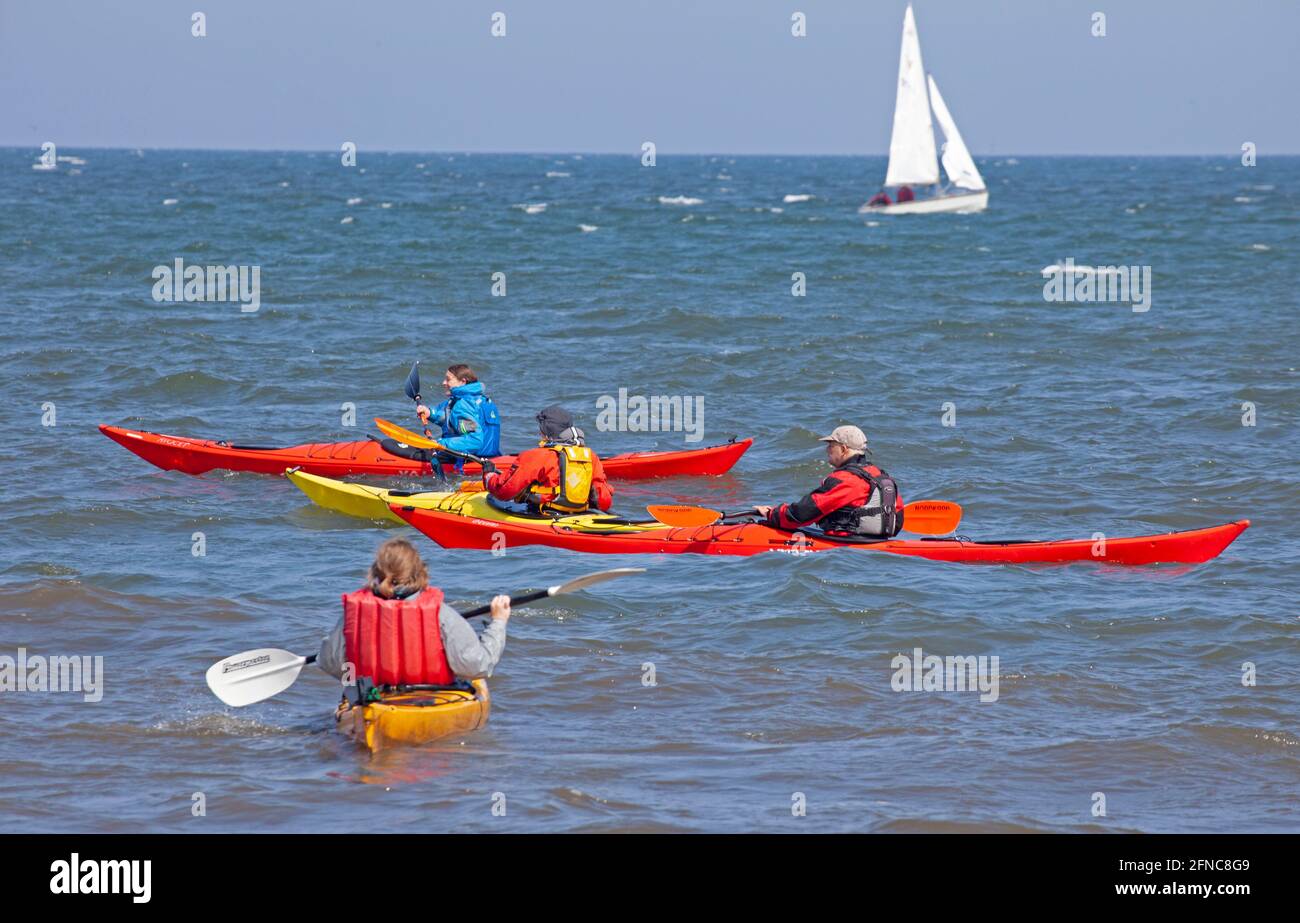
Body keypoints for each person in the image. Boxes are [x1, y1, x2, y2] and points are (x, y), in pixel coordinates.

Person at [317, 538, 510, 698]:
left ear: (375, 572)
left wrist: (359, 679)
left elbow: (328, 662)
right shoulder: (441, 614)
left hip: (373, 699)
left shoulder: (353, 614)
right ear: (419, 572)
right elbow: (476, 666)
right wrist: (498, 623)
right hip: (433, 699)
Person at [754, 425, 904, 538]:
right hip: (874, 543)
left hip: (846, 547)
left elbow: (803, 513)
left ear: (844, 449)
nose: (827, 450)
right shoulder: (880, 475)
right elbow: (898, 518)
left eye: (831, 446)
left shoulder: (847, 479)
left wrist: (772, 514)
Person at [481, 405, 613, 514]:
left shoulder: (536, 456)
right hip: (579, 515)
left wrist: (489, 476)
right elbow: (604, 501)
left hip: (544, 514)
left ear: (546, 431)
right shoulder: (591, 456)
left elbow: (504, 491)